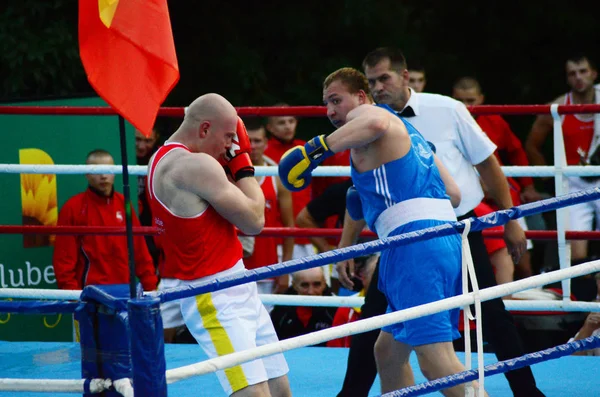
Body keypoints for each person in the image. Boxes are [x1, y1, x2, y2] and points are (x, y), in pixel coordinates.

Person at [330, 47, 543, 397]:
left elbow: (488, 164)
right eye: (372, 81)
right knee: (383, 343)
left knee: (474, 328)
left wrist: (511, 218)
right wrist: (346, 245)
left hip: (445, 231)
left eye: (384, 78)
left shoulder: (440, 109)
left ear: (404, 75)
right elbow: (363, 196)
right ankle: (350, 393)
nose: (379, 87)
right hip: (412, 237)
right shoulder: (373, 131)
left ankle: (527, 391)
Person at [279, 67, 486, 396]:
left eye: (336, 100)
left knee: (436, 361)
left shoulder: (372, 117)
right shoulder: (408, 135)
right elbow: (454, 194)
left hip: (416, 246)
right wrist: (347, 246)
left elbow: (374, 121)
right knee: (387, 354)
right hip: (430, 241)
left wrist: (314, 150)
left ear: (361, 97)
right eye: (326, 104)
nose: (330, 111)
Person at [147, 93, 291, 397]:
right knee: (254, 394)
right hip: (213, 295)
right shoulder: (193, 166)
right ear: (204, 129)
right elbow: (255, 221)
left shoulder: (161, 158)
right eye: (228, 137)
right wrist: (243, 166)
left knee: (280, 388)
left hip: (237, 280)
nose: (230, 146)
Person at [453, 76, 541, 279]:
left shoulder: (494, 121)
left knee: (521, 256)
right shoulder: (449, 122)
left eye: (471, 100)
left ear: (481, 99)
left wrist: (528, 186)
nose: (467, 106)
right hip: (469, 199)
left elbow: (517, 150)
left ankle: (527, 292)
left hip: (500, 196)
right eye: (461, 100)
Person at [525, 54, 600, 261]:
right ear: (567, 79)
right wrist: (549, 179)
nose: (578, 77)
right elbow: (532, 144)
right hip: (574, 180)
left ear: (594, 74)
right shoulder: (558, 108)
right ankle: (582, 289)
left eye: (583, 71)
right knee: (575, 249)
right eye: (572, 74)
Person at [53, 149, 158, 292]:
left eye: (108, 170)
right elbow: (63, 260)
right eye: (96, 171)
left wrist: (150, 288)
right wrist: (73, 298)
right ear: (87, 174)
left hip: (124, 292)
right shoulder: (73, 208)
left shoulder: (124, 203)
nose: (103, 176)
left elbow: (139, 250)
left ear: (114, 172)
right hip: (90, 294)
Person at [244, 118, 295, 296]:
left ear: (266, 143)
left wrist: (285, 269)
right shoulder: (226, 176)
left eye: (257, 141)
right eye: (248, 141)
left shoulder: (276, 177)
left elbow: (289, 227)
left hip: (268, 265)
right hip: (235, 268)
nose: (252, 146)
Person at [270, 267, 336, 346]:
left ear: (324, 284)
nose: (311, 291)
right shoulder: (280, 311)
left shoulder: (336, 309)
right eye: (305, 285)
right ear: (294, 285)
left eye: (317, 285)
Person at [135, 128, 161, 267]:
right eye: (137, 139)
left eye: (147, 141)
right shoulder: (118, 152)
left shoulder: (162, 158)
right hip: (124, 217)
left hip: (151, 222)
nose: (141, 146)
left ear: (156, 138)